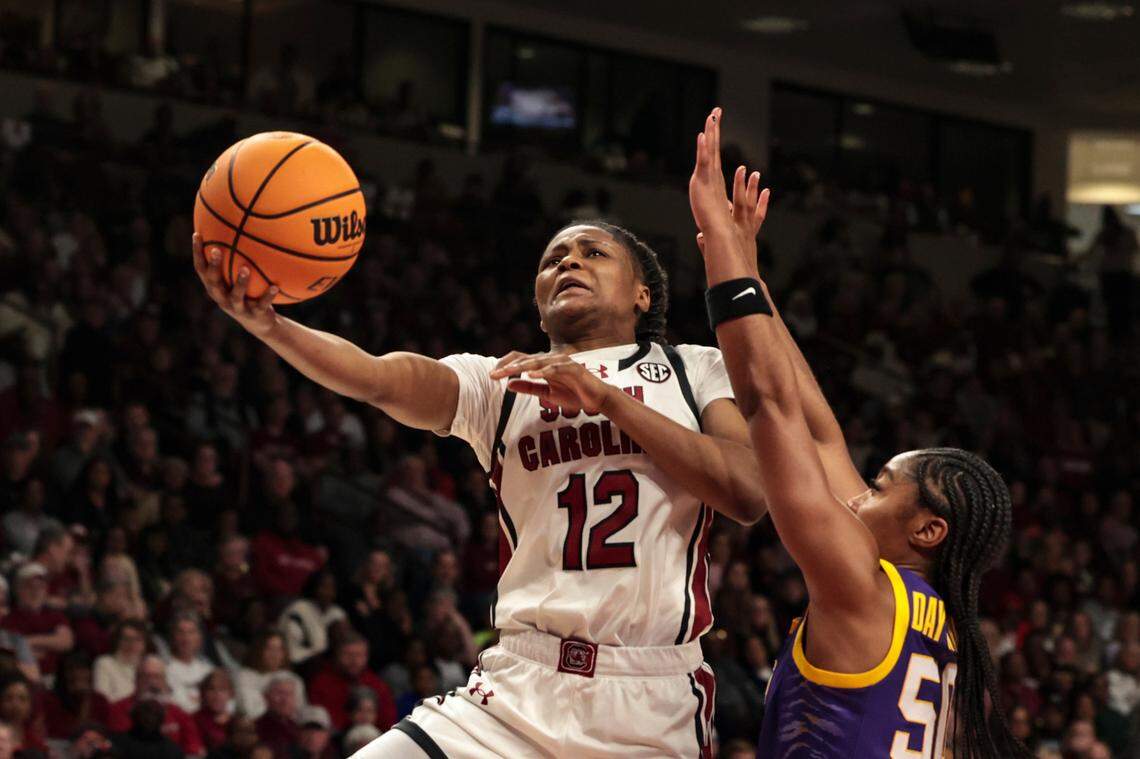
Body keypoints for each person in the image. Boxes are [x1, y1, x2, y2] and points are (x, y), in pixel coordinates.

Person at [192, 130, 769, 753]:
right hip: (516, 687)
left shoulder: (693, 368)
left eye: (591, 253)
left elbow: (747, 492)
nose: (567, 262)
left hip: (649, 696)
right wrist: (273, 327)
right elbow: (376, 376)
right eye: (553, 260)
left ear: (642, 294)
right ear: (540, 304)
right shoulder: (499, 382)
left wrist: (606, 400)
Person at [687, 107, 1027, 758]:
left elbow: (768, 407)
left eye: (879, 486)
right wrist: (752, 275)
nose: (859, 495)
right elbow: (818, 434)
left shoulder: (858, 586)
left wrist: (716, 245)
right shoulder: (946, 622)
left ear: (928, 529)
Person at [235, 630, 306, 720]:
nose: (275, 655)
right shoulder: (244, 676)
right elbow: (249, 709)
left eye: (279, 649)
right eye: (269, 648)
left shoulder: (293, 679)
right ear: (259, 650)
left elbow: (299, 712)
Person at [93, 619, 148, 702]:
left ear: (144, 644)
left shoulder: (149, 667)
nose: (132, 644)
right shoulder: (105, 664)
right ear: (117, 641)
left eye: (137, 639)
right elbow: (103, 700)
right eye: (126, 639)